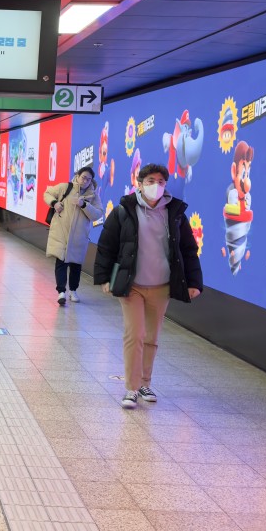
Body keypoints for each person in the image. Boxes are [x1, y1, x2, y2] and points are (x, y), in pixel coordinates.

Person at [93, 164, 204, 409]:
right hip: (131, 285)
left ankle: (145, 382)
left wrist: (194, 282)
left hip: (161, 286)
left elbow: (188, 249)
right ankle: (131, 389)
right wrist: (103, 278)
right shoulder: (124, 210)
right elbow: (107, 245)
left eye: (161, 181)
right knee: (135, 335)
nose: (156, 185)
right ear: (140, 183)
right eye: (151, 181)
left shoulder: (174, 213)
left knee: (152, 337)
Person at [46, 167, 105, 306]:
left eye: (89, 179)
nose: (85, 181)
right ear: (77, 176)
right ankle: (61, 291)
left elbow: (98, 214)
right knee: (61, 262)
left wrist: (84, 205)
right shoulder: (65, 187)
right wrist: (55, 203)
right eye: (83, 177)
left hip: (79, 236)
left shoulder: (93, 196)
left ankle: (73, 290)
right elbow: (47, 193)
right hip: (62, 232)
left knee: (76, 265)